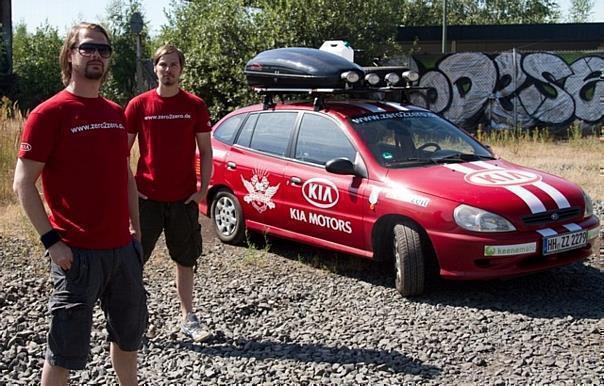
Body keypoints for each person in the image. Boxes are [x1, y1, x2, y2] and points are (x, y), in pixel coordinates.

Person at [12, 22, 147, 386]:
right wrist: (51, 242)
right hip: (76, 256)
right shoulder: (48, 114)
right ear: (70, 54)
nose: (97, 56)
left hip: (122, 251)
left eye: (104, 50)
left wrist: (136, 233)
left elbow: (126, 175)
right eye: (88, 48)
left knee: (128, 339)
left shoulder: (114, 112)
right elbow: (23, 184)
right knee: (63, 352)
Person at [125, 44, 213, 342]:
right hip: (146, 200)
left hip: (183, 199)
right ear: (155, 68)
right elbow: (120, 154)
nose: (168, 70)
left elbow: (206, 150)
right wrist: (132, 188)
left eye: (174, 65)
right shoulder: (138, 105)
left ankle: (188, 317)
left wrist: (202, 191)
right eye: (163, 64)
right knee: (134, 260)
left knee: (185, 259)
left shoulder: (195, 105)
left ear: (181, 69)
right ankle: (132, 320)